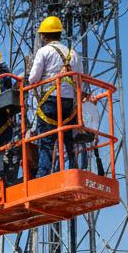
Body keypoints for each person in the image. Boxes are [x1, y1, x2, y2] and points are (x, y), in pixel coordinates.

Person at [26, 16, 84, 178]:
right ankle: (73, 168)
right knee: (68, 138)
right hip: (69, 102)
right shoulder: (73, 54)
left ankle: (42, 176)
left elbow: (33, 79)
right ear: (60, 34)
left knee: (46, 141)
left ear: (44, 35)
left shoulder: (44, 51)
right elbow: (81, 80)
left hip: (50, 101)